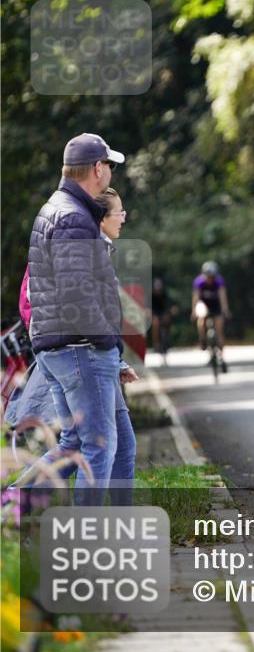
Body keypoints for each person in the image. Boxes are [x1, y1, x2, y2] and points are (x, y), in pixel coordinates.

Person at [7, 187, 138, 504]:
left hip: (78, 352)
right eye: (119, 212)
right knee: (100, 444)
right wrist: (109, 351)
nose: (123, 218)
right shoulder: (81, 244)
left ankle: (12, 503)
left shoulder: (91, 245)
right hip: (83, 354)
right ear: (101, 217)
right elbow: (82, 307)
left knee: (90, 443)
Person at [191, 261, 231, 369]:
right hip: (204, 305)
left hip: (216, 306)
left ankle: (222, 357)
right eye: (208, 276)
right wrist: (194, 311)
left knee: (219, 332)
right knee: (201, 316)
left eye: (212, 277)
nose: (210, 279)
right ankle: (203, 339)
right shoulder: (199, 282)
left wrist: (225, 310)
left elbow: (223, 296)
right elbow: (196, 297)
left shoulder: (219, 282)